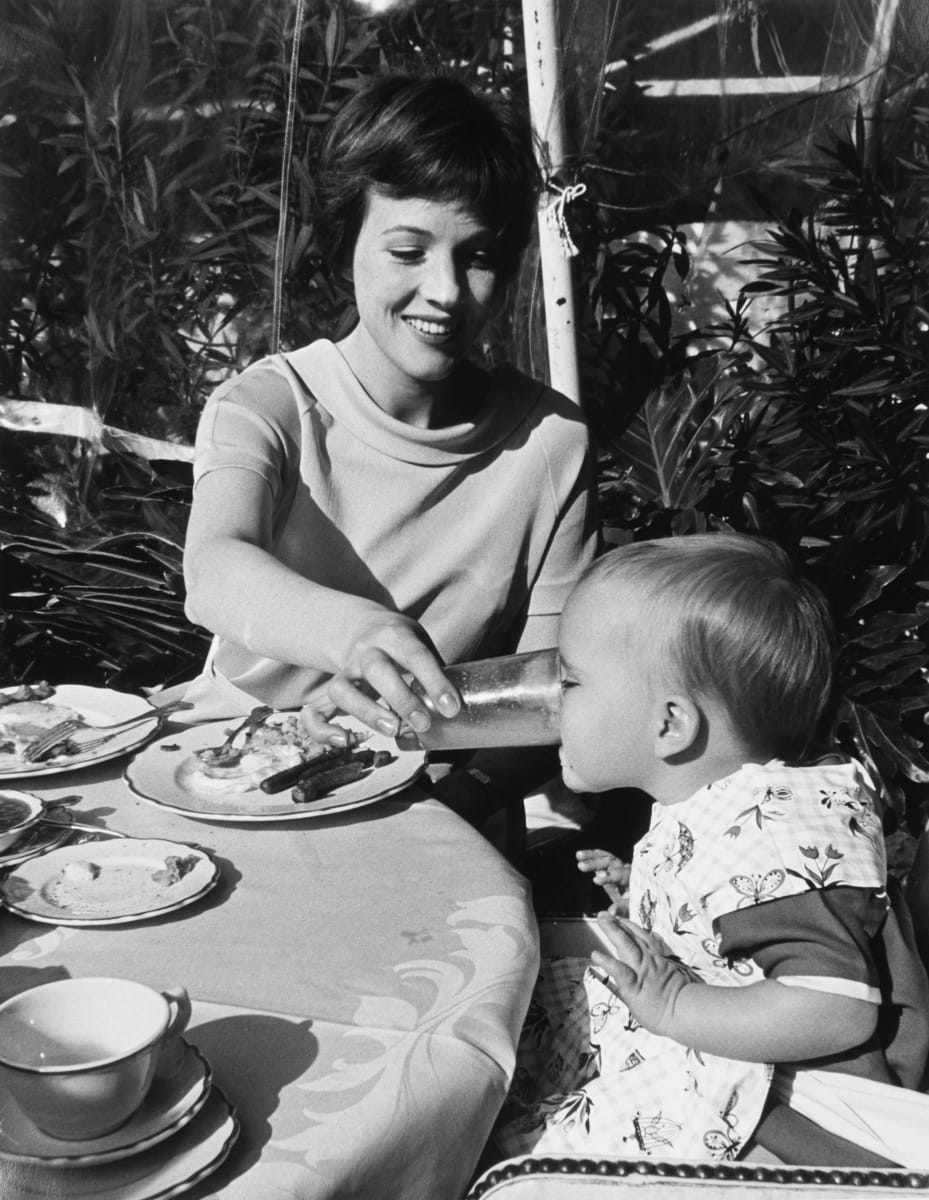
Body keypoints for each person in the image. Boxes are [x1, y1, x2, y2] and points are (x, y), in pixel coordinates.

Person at [173, 72, 596, 846]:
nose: (444, 291)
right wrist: (362, 633)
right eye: (407, 250)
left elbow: (547, 692)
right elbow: (214, 570)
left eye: (478, 257)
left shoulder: (550, 442)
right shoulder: (269, 406)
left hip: (433, 812)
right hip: (230, 786)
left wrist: (447, 810)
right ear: (346, 246)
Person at [494, 533, 929, 1167]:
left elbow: (836, 1011)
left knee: (538, 1165)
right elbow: (726, 915)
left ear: (670, 725)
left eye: (571, 680)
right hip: (730, 1064)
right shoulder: (718, 802)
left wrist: (675, 1006)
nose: (549, 700)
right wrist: (653, 893)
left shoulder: (772, 830)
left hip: (795, 1119)